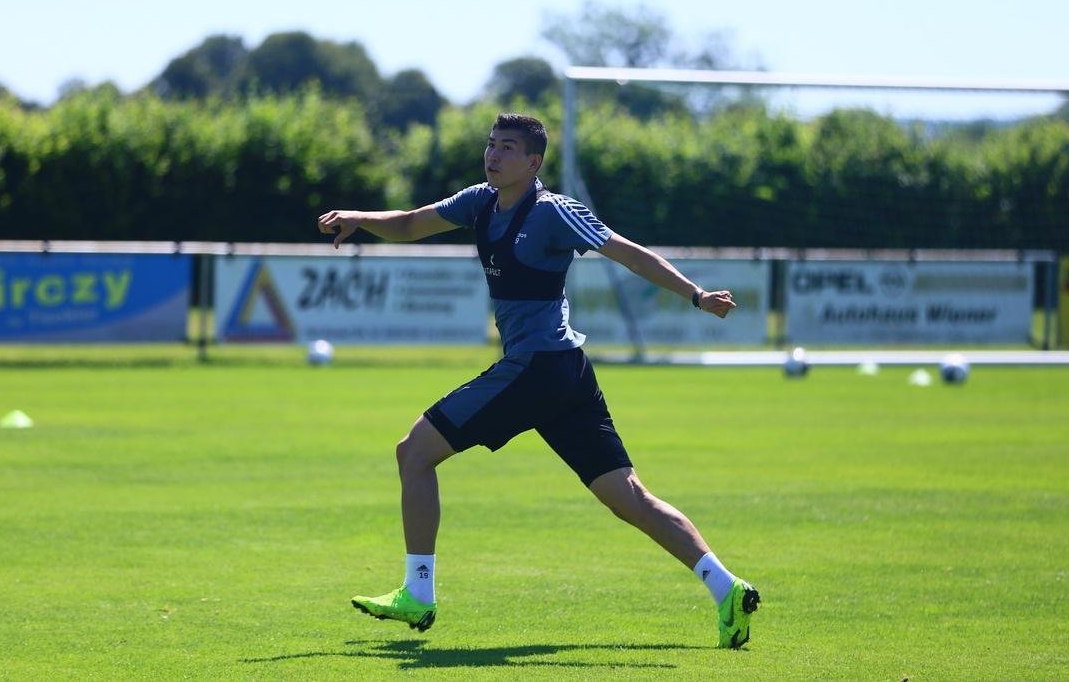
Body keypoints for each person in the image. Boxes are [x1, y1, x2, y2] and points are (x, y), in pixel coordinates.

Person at [318, 113, 760, 648]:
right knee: (628, 497)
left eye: (507, 147)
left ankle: (418, 592)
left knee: (414, 452)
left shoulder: (554, 211)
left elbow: (628, 253)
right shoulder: (479, 201)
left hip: (539, 368)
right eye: (491, 144)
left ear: (534, 162)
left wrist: (696, 295)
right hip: (564, 373)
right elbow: (412, 224)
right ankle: (727, 588)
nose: (493, 155)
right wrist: (360, 218)